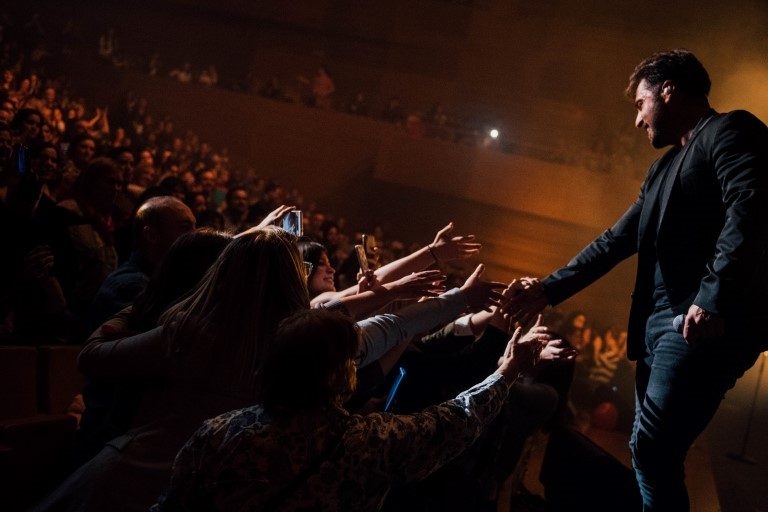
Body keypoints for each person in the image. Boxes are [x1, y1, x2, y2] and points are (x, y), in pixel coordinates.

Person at [507, 49, 768, 511]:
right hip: (658, 325)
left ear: (668, 91)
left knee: (651, 450)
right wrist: (548, 287)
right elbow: (615, 240)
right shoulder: (662, 168)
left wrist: (713, 297)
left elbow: (750, 209)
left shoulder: (730, 130)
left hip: (698, 323)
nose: (637, 120)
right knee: (653, 453)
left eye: (640, 104)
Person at [150, 307, 540, 512]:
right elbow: (457, 420)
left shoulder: (222, 431)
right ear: (339, 373)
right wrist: (507, 372)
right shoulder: (367, 442)